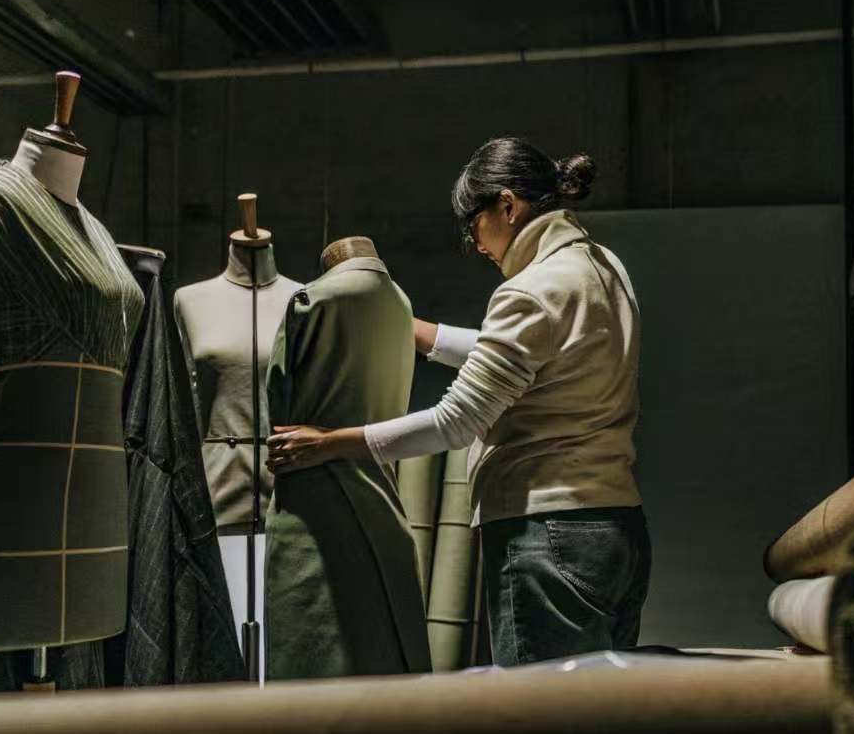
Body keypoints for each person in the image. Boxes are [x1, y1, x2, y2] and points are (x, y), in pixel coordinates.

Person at [266, 137, 650, 666]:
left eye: (473, 226)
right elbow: (540, 360)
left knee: (540, 711)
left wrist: (331, 444)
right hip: (615, 529)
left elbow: (457, 421)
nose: (477, 244)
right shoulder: (600, 266)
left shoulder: (530, 289)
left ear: (507, 205)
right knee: (603, 710)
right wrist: (423, 334)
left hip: (549, 534)